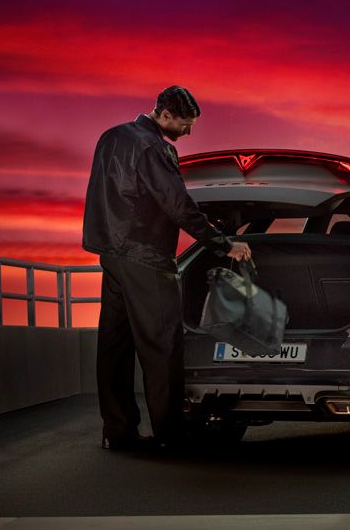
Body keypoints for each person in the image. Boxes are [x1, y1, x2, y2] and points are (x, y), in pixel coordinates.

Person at [82, 86, 252, 451]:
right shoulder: (157, 149)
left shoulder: (110, 137)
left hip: (111, 253)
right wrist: (223, 243)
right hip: (145, 256)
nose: (188, 132)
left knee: (114, 345)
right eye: (186, 124)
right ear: (166, 115)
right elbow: (178, 206)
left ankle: (118, 432)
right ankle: (171, 434)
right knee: (162, 346)